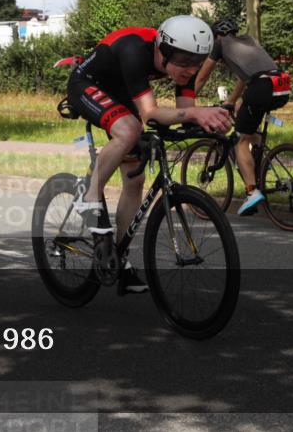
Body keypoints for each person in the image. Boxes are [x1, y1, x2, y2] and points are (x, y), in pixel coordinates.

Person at [66, 16, 233, 295]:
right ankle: (90, 194)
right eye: (181, 60)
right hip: (87, 84)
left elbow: (184, 112)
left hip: (121, 92)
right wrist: (195, 112)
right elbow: (151, 113)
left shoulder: (186, 68)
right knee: (130, 129)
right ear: (162, 49)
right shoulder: (135, 49)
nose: (189, 69)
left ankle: (118, 259)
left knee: (135, 178)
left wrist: (212, 120)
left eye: (197, 61)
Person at [193, 18, 291, 216]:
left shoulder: (220, 44)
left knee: (240, 140)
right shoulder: (248, 41)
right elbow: (244, 78)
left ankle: (252, 192)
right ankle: (263, 164)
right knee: (247, 120)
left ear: (216, 35)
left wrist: (187, 102)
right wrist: (231, 101)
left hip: (261, 87)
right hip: (281, 84)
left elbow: (202, 76)